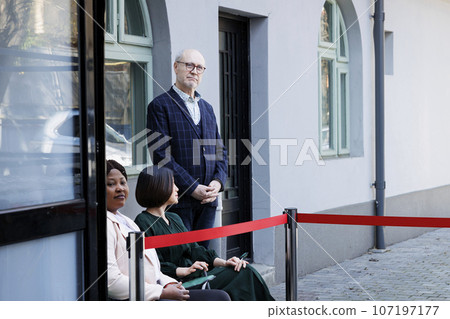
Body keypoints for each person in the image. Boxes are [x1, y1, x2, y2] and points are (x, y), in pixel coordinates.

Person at [134, 166, 275, 301]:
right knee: (243, 275)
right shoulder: (142, 222)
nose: (177, 188)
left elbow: (195, 249)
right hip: (178, 283)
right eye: (172, 184)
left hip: (197, 274)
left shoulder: (174, 218)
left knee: (244, 269)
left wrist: (224, 262)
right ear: (159, 187)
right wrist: (184, 270)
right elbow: (152, 266)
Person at [106, 159, 230, 301]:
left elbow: (156, 270)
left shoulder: (128, 223)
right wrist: (164, 290)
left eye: (123, 183)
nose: (120, 188)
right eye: (111, 184)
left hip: (164, 286)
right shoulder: (136, 222)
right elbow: (112, 281)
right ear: (159, 187)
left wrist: (171, 285)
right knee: (221, 296)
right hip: (149, 294)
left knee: (232, 282)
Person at [146, 48, 227, 247]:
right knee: (183, 261)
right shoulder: (160, 106)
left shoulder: (207, 108)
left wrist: (217, 182)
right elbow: (161, 156)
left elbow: (220, 151)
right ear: (176, 67)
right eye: (189, 65)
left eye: (199, 67)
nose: (194, 71)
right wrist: (192, 188)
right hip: (178, 201)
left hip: (208, 201)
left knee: (204, 259)